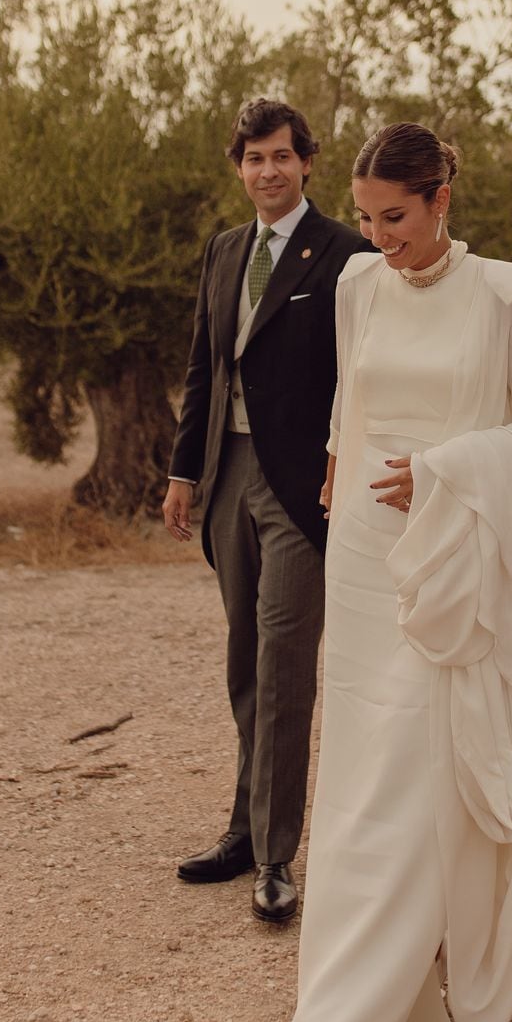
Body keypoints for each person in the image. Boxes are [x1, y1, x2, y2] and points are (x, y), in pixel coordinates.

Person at [282, 121, 512, 1022]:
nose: (381, 237)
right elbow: (350, 398)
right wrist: (339, 467)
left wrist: (451, 476)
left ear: (441, 200)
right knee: (360, 773)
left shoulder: (510, 293)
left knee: (415, 774)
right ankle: (383, 998)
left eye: (398, 218)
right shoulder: (356, 284)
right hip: (368, 557)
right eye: (369, 218)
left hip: (452, 549)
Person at [163, 98, 371, 924]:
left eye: (281, 156)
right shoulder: (222, 252)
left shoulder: (346, 256)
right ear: (238, 167)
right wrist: (185, 473)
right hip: (227, 478)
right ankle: (243, 834)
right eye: (253, 159)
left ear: (308, 162)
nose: (267, 171)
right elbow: (202, 369)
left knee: (286, 665)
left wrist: (342, 468)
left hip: (301, 491)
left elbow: (362, 379)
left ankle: (278, 857)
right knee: (246, 660)